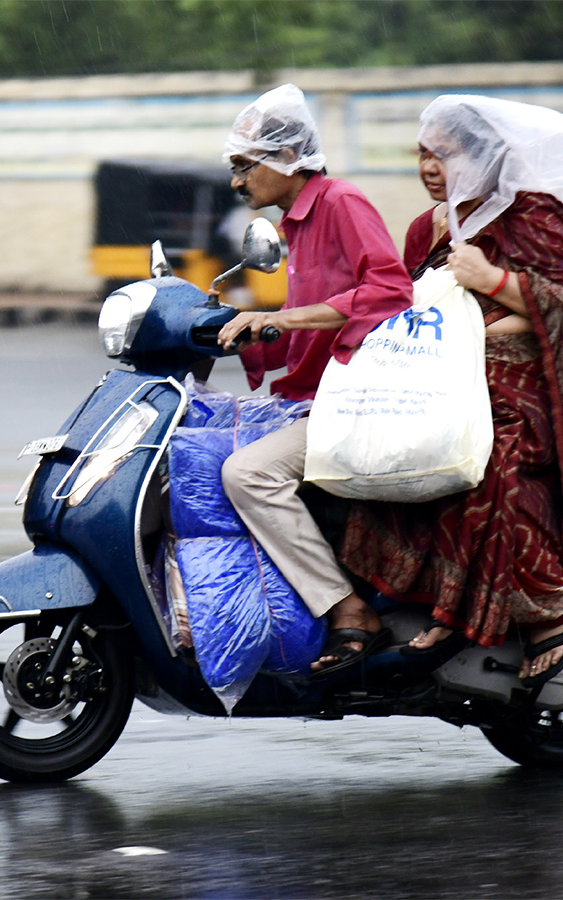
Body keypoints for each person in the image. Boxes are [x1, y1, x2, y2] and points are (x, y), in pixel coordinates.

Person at [338, 94, 563, 686]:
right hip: (441, 385)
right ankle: (437, 603)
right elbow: (405, 305)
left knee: (482, 462)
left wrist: (494, 281)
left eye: (444, 154)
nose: (429, 168)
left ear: (484, 156)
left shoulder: (527, 213)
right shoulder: (429, 227)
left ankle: (547, 615)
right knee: (380, 455)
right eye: (422, 155)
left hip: (520, 394)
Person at [216, 83, 413, 674]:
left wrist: (280, 317)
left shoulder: (340, 202)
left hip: (351, 399)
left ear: (284, 159)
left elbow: (388, 288)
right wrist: (240, 331)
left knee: (246, 473)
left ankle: (348, 607)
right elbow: (306, 334)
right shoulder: (294, 225)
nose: (236, 182)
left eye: (243, 166)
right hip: (309, 395)